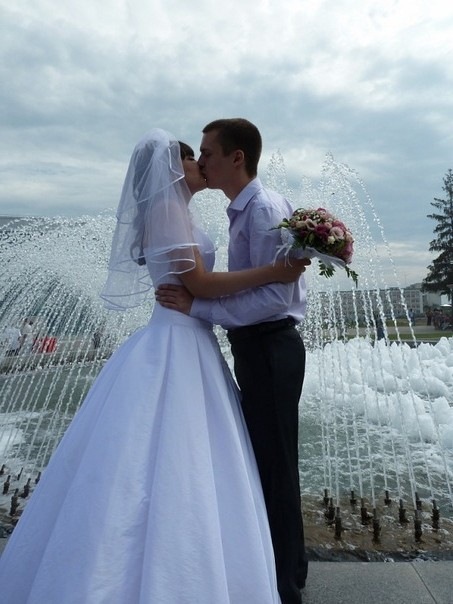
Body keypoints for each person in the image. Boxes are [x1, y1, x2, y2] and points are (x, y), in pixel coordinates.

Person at [0, 128, 309, 604]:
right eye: (192, 157)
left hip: (192, 337)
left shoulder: (188, 210)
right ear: (170, 168)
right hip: (178, 336)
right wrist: (274, 271)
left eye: (205, 154)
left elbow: (202, 286)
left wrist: (258, 281)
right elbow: (199, 283)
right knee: (177, 451)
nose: (200, 163)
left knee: (194, 451)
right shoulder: (166, 210)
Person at [157, 118, 309, 604]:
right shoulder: (244, 209)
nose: (201, 160)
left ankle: (286, 585)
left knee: (276, 465)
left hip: (269, 346)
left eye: (207, 152)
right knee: (268, 459)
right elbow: (265, 283)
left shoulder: (261, 210)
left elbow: (275, 297)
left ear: (236, 157)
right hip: (259, 346)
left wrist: (199, 307)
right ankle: (280, 568)